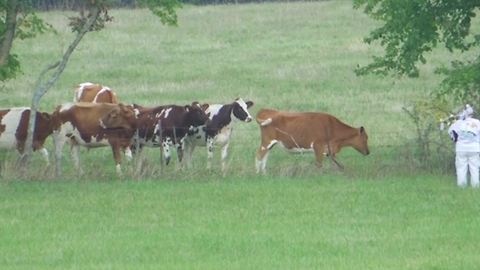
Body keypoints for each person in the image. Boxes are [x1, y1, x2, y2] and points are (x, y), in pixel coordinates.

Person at [448, 104, 480, 188]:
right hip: (475, 148)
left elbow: (453, 136)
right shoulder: (477, 122)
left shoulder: (458, 123)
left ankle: (462, 186)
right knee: (475, 168)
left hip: (461, 148)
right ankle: (475, 186)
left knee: (461, 168)